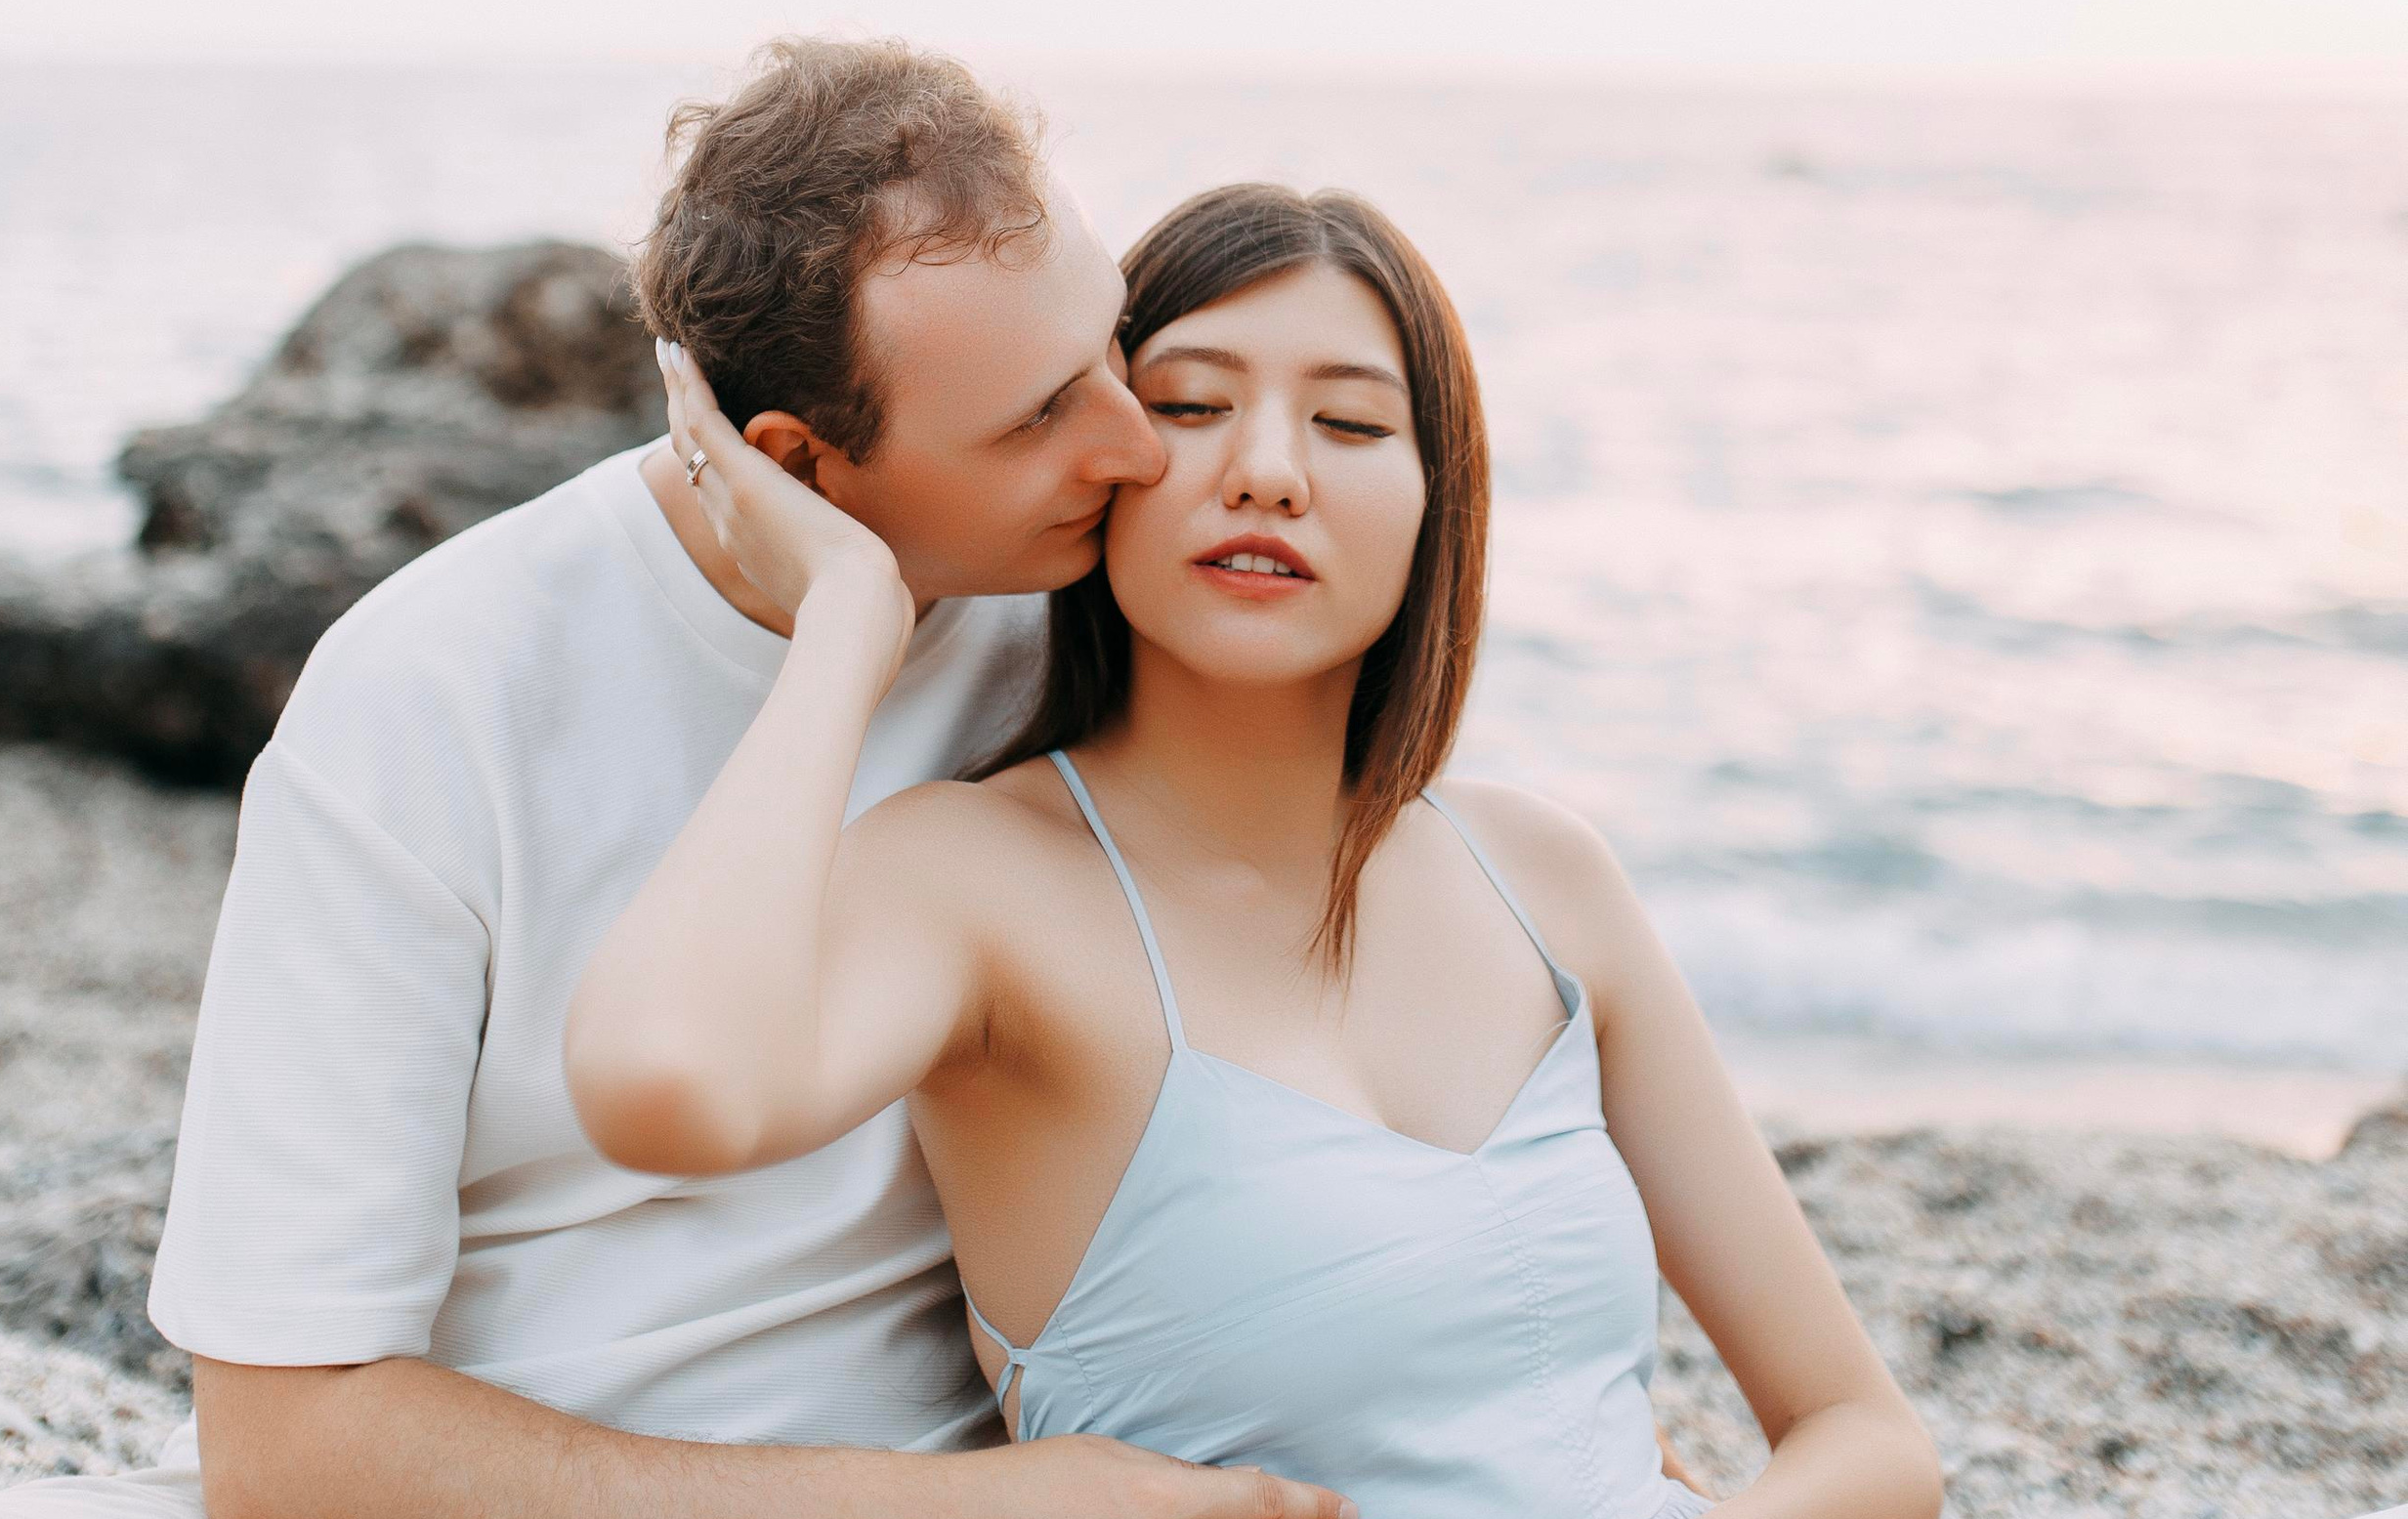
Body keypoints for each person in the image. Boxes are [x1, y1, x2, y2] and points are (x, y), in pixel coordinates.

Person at [0, 40, 1370, 1519]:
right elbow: (287, 1443)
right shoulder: (431, 691)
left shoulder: (1109, 622)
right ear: (799, 467)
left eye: (1109, 347)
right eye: (1035, 420)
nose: (1135, 446)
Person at [568, 181, 1947, 1518]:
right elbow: (666, 1089)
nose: (1268, 473)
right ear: (1104, 458)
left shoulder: (1540, 876)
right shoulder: (978, 881)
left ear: (1433, 497)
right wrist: (849, 625)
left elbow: (1864, 1438)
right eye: (1190, 407)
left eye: (1350, 424)